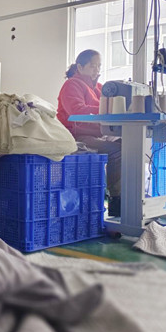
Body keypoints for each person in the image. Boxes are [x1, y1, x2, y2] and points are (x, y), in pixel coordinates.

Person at [57, 49, 121, 217]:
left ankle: (131, 196)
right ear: (80, 67)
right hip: (76, 136)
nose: (97, 70)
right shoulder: (71, 85)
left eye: (99, 66)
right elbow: (76, 110)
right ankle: (117, 200)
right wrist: (108, 109)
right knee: (117, 151)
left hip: (98, 134)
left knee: (128, 144)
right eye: (93, 66)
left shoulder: (100, 88)